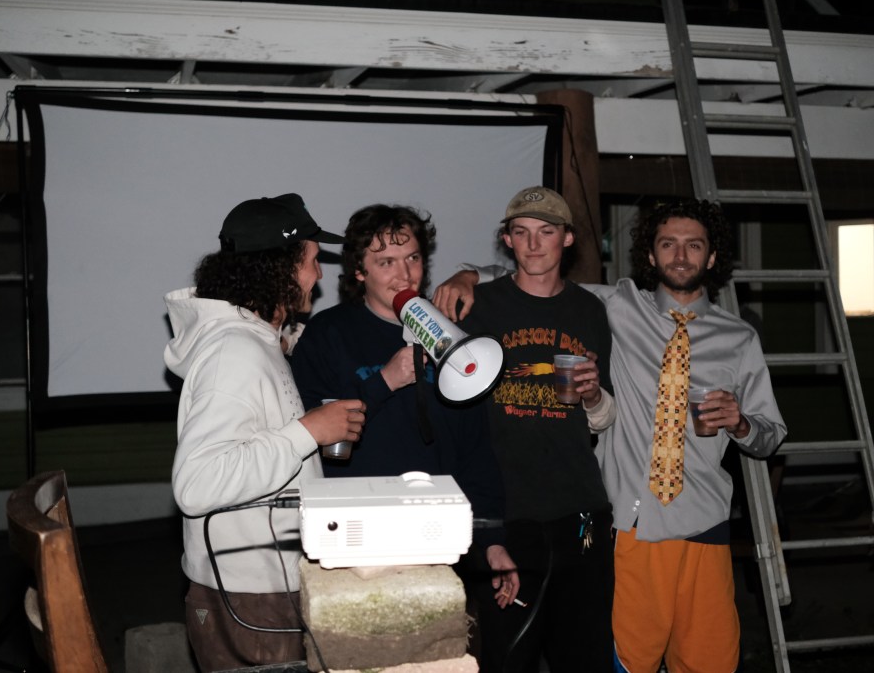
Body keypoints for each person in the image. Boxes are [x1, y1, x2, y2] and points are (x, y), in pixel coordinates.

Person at [433, 198, 788, 673]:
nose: (680, 256)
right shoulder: (619, 305)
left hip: (704, 522)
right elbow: (535, 269)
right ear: (650, 255)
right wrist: (467, 276)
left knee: (710, 664)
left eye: (694, 245)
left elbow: (770, 435)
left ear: (712, 257)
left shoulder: (740, 338)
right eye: (668, 244)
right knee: (627, 662)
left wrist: (742, 423)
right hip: (631, 524)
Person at [287, 203, 519, 659]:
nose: (404, 274)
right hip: (356, 538)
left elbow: (475, 450)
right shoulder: (328, 335)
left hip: (437, 535)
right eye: (385, 262)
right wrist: (384, 382)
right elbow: (316, 436)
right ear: (359, 271)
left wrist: (492, 541)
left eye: (412, 258)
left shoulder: (451, 337)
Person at [164, 193, 366, 672]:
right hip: (248, 597)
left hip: (259, 587)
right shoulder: (233, 353)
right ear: (282, 268)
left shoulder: (254, 340)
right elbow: (197, 484)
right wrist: (307, 432)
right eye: (313, 261)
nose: (319, 275)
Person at [447, 186, 617, 673]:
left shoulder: (589, 310)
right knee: (508, 657)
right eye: (521, 233)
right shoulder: (477, 305)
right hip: (505, 514)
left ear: (568, 238)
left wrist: (592, 395)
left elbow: (603, 419)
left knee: (584, 657)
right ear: (507, 240)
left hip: (581, 510)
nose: (534, 244)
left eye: (546, 232)